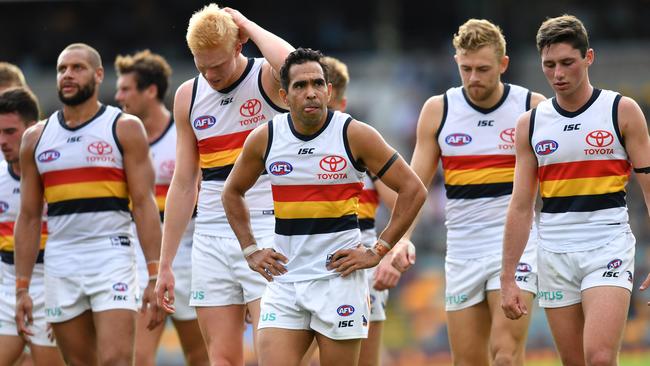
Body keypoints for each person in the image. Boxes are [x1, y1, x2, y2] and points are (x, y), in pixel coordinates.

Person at [222, 48, 427, 366]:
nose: (311, 93)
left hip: (338, 281)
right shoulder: (266, 138)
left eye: (318, 84)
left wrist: (379, 249)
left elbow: (414, 189)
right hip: (285, 281)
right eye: (300, 86)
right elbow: (231, 192)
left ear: (329, 90)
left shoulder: (354, 134)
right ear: (284, 95)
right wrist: (250, 250)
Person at [501, 15, 650, 366]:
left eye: (567, 63)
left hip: (607, 246)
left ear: (589, 58)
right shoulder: (531, 124)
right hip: (553, 253)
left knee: (599, 358)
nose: (557, 74)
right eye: (549, 65)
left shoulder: (621, 111)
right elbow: (521, 207)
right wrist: (508, 278)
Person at [395, 19, 546, 366]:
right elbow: (415, 187)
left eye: (483, 69)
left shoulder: (531, 107)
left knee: (505, 356)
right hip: (462, 249)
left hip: (514, 246)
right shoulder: (439, 110)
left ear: (503, 65)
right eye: (466, 69)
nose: (474, 78)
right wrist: (402, 239)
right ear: (456, 63)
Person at [154, 4, 294, 365]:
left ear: (238, 47)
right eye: (203, 66)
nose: (211, 75)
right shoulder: (188, 95)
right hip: (211, 234)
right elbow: (184, 183)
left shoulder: (264, 77)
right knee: (221, 359)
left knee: (274, 355)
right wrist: (166, 263)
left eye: (218, 65)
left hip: (267, 227)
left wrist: (247, 24)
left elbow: (294, 66)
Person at [14, 43, 163, 366]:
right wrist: (22, 287)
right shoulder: (35, 138)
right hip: (61, 259)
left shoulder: (123, 127)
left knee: (116, 360)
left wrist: (155, 274)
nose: (68, 74)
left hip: (111, 254)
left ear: (98, 75)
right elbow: (27, 217)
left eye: (77, 67)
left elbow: (143, 204)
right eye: (62, 68)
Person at [300, 56, 402, 366]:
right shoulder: (295, 147)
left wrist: (389, 254)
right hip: (307, 262)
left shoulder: (361, 149)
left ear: (337, 98)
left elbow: (401, 201)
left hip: (359, 262)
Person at [114, 49, 209, 366]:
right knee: (138, 356)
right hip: (144, 259)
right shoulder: (122, 139)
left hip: (190, 255)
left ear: (150, 91)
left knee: (200, 355)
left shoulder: (183, 135)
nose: (118, 96)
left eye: (126, 89)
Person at [0, 88, 65, 366]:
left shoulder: (60, 173)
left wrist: (66, 299)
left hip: (53, 285)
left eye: (10, 132)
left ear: (32, 128)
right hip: (8, 285)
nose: (2, 141)